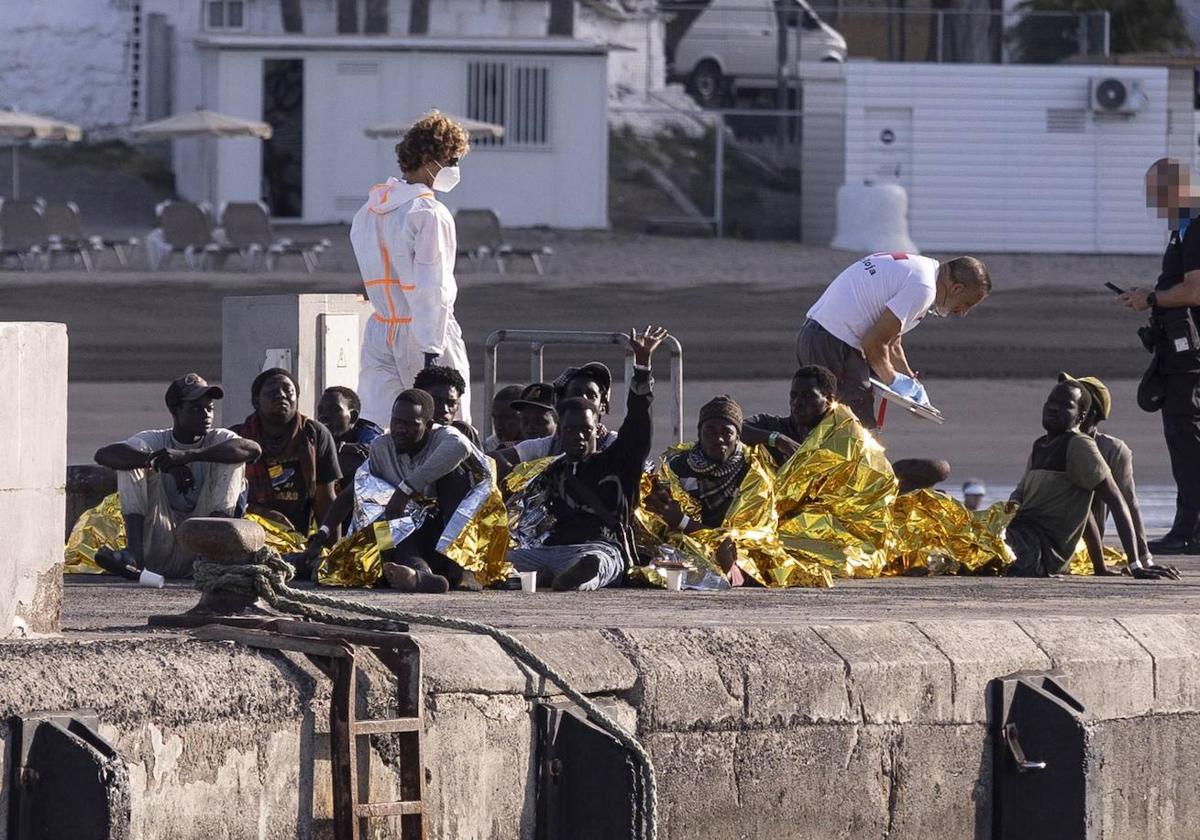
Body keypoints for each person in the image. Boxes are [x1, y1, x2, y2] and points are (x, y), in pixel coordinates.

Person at [507, 327, 669, 590]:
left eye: (586, 430)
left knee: (597, 563)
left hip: (601, 547)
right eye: (571, 430)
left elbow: (638, 422)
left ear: (596, 429)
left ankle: (573, 579)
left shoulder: (618, 462)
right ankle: (547, 575)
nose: (579, 436)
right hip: (553, 550)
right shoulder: (551, 468)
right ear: (559, 430)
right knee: (506, 560)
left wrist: (642, 366)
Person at [350, 110, 472, 428]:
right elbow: (434, 286)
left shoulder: (367, 212)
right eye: (452, 159)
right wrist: (432, 352)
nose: (455, 169)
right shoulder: (429, 212)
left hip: (380, 327)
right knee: (449, 429)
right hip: (425, 333)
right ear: (430, 158)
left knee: (378, 424)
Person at [305, 388, 484, 593]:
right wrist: (321, 535)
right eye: (396, 421)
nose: (400, 429)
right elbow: (348, 496)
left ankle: (461, 568)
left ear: (427, 425)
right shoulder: (382, 447)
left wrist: (404, 490)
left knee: (456, 473)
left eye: (409, 424)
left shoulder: (444, 438)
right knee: (387, 530)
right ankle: (420, 574)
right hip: (410, 530)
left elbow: (461, 447)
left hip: (448, 530)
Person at [93, 374, 261, 578]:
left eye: (210, 408)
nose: (206, 415)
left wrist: (187, 456)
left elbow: (253, 449)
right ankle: (133, 555)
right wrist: (158, 462)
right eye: (196, 409)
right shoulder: (156, 439)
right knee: (131, 463)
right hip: (159, 545)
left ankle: (217, 551)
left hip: (204, 548)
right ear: (175, 411)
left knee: (233, 460)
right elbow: (104, 455)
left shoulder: (218, 438)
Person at [1005, 381, 1176, 579]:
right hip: (1021, 534)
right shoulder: (1040, 445)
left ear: (1082, 415)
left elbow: (1119, 502)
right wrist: (1099, 567)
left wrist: (1136, 563)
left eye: (1065, 404)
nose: (1053, 407)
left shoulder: (1080, 446)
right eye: (1050, 401)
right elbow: (1084, 513)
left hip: (1037, 550)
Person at [799, 252, 991, 427]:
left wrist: (911, 384)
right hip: (833, 343)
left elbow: (892, 342)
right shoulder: (923, 288)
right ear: (957, 288)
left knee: (827, 427)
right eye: (967, 304)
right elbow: (874, 344)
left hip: (817, 336)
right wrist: (893, 381)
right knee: (856, 431)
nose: (963, 313)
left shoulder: (923, 269)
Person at [1118, 158, 1200, 555]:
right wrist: (1149, 294)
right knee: (1184, 437)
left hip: (1190, 354)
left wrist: (1151, 297)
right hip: (1180, 348)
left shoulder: (1197, 224)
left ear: (1177, 189)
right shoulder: (1182, 228)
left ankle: (1190, 531)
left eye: (1157, 193)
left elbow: (1195, 291)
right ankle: (1189, 528)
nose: (1154, 203)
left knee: (1187, 437)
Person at [232, 368, 342, 537]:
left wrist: (329, 550)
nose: (281, 395)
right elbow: (226, 500)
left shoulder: (315, 434)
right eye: (272, 392)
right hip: (248, 535)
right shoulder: (237, 438)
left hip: (298, 538)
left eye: (288, 391)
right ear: (256, 401)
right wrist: (261, 514)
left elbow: (325, 499)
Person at [1058, 373, 1153, 566]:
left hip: (1078, 548)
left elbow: (1128, 504)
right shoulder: (1049, 442)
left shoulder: (1113, 451)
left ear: (1088, 412)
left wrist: (1143, 560)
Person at [494, 362, 618, 471]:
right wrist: (517, 473)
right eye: (575, 393)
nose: (583, 399)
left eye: (591, 395)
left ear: (602, 406)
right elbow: (491, 460)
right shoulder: (547, 447)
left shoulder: (614, 444)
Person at [317, 385, 384, 484]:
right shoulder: (315, 434)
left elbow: (373, 451)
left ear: (353, 417)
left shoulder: (369, 436)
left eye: (333, 410)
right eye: (320, 410)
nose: (324, 416)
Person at [413, 365, 480, 447]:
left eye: (451, 403)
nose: (445, 409)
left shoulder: (463, 432)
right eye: (436, 402)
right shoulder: (406, 433)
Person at [484, 384, 525, 452]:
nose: (498, 425)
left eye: (506, 417)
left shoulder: (542, 445)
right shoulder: (491, 445)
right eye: (495, 418)